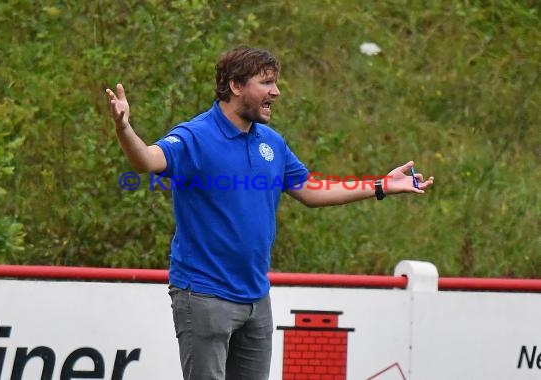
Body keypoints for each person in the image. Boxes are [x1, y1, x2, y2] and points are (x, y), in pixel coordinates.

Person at [106, 46, 434, 380]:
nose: (275, 92)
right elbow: (146, 160)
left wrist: (380, 184)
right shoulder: (196, 136)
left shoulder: (272, 143)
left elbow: (310, 189)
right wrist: (124, 130)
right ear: (236, 86)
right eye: (266, 83)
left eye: (274, 83)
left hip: (255, 298)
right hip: (204, 295)